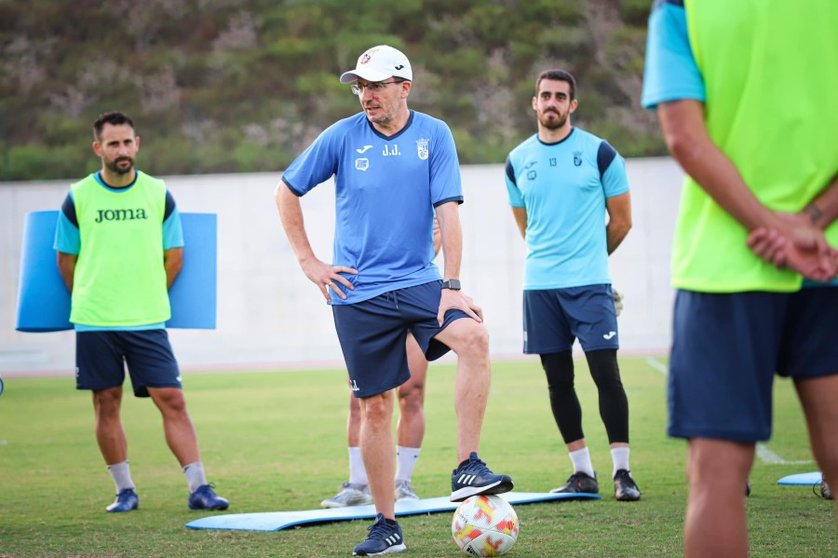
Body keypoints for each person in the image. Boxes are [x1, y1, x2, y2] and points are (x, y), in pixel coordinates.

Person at [275, 45, 513, 556]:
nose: (367, 95)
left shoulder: (435, 135)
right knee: (373, 408)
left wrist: (451, 285)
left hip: (416, 280)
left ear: (405, 87)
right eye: (361, 85)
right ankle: (387, 525)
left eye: (377, 85)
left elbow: (448, 211)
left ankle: (467, 463)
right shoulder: (340, 136)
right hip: (356, 294)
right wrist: (309, 262)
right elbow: (286, 191)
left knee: (474, 336)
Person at [641, 1, 838, 555]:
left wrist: (769, 226)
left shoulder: (680, 6)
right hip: (829, 254)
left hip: (723, 266)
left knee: (717, 475)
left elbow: (684, 137)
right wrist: (811, 221)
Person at [54, 111, 229, 513]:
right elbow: (66, 260)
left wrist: (147, 296)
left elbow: (175, 257)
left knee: (172, 398)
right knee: (106, 402)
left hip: (147, 319)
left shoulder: (158, 193)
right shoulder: (78, 196)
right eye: (113, 143)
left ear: (138, 144)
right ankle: (125, 491)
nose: (122, 150)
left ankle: (199, 488)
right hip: (95, 319)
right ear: (98, 148)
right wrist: (90, 297)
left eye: (127, 142)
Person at [504, 69, 640, 501]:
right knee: (558, 380)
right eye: (545, 95)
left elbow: (622, 222)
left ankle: (622, 473)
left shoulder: (600, 153)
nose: (552, 103)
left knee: (606, 374)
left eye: (560, 96)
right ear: (534, 102)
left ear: (572, 105)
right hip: (541, 287)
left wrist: (592, 261)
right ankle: (582, 473)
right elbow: (528, 228)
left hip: (590, 285)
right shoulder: (516, 161)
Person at [323, 220, 441, 509]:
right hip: (367, 300)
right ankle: (358, 484)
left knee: (411, 392)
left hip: (411, 297)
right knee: (362, 397)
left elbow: (436, 237)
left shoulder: (419, 185)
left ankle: (403, 483)